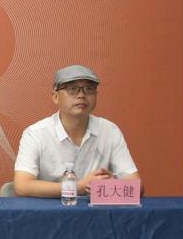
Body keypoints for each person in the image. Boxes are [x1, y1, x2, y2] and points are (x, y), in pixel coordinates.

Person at [13, 65, 140, 197]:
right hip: (50, 209)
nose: (81, 95)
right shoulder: (35, 134)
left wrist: (114, 184)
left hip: (95, 209)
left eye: (89, 89)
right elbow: (22, 186)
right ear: (55, 97)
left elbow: (137, 188)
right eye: (72, 89)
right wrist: (79, 187)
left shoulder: (110, 131)